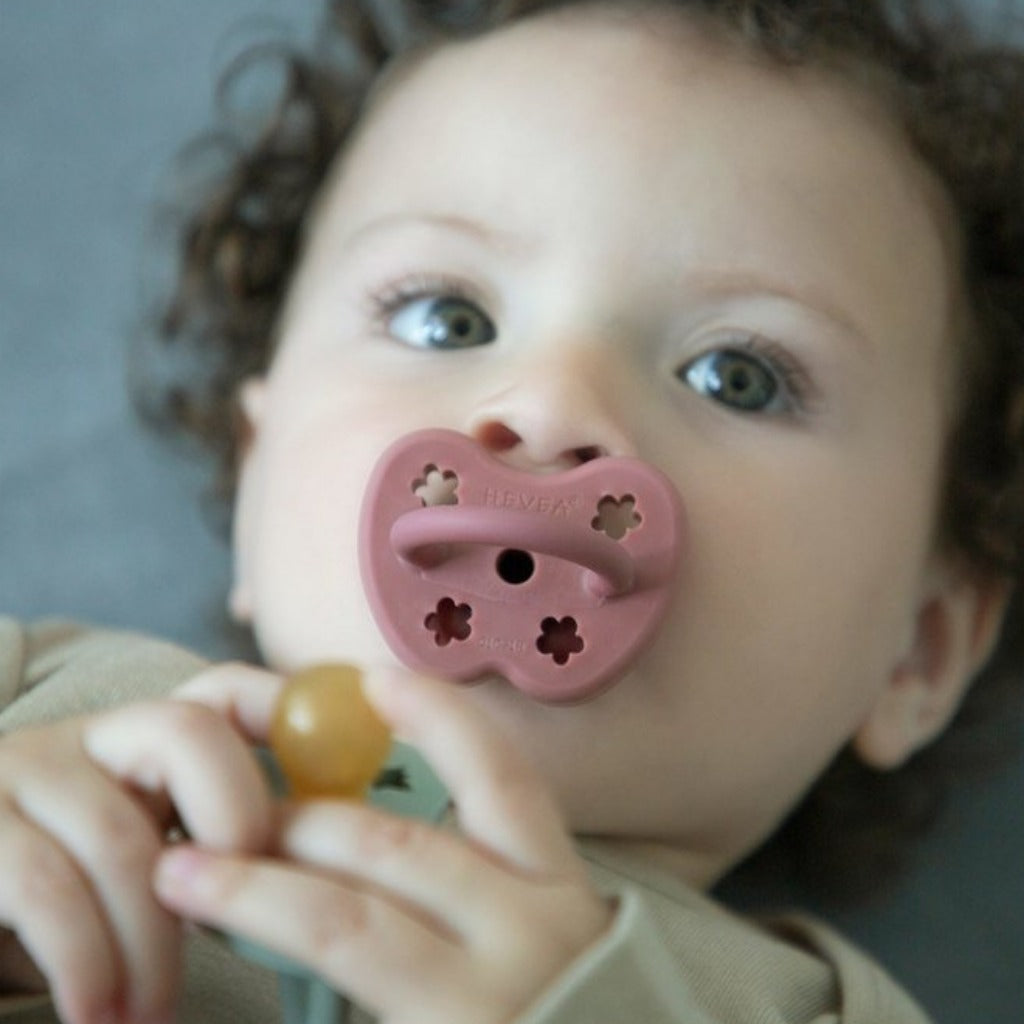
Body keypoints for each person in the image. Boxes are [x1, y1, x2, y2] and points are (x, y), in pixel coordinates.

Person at [3, 0, 1024, 1021]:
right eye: (447, 318)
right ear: (257, 471)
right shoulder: (36, 701)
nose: (547, 406)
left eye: (734, 376)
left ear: (917, 649)